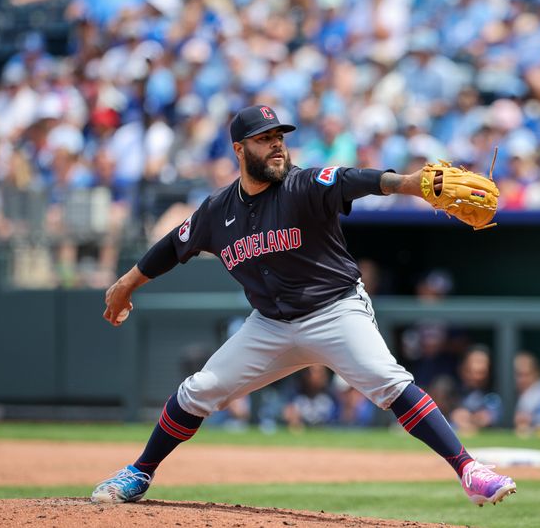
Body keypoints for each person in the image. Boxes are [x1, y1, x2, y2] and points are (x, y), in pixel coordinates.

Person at [90, 105, 516, 507]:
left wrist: (406, 183)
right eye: (263, 139)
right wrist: (127, 283)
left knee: (388, 382)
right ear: (239, 150)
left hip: (335, 311)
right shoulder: (217, 211)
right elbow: (172, 246)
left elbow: (354, 179)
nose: (276, 145)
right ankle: (139, 472)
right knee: (198, 391)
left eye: (279, 137)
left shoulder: (304, 185)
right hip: (270, 326)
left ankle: (470, 470)